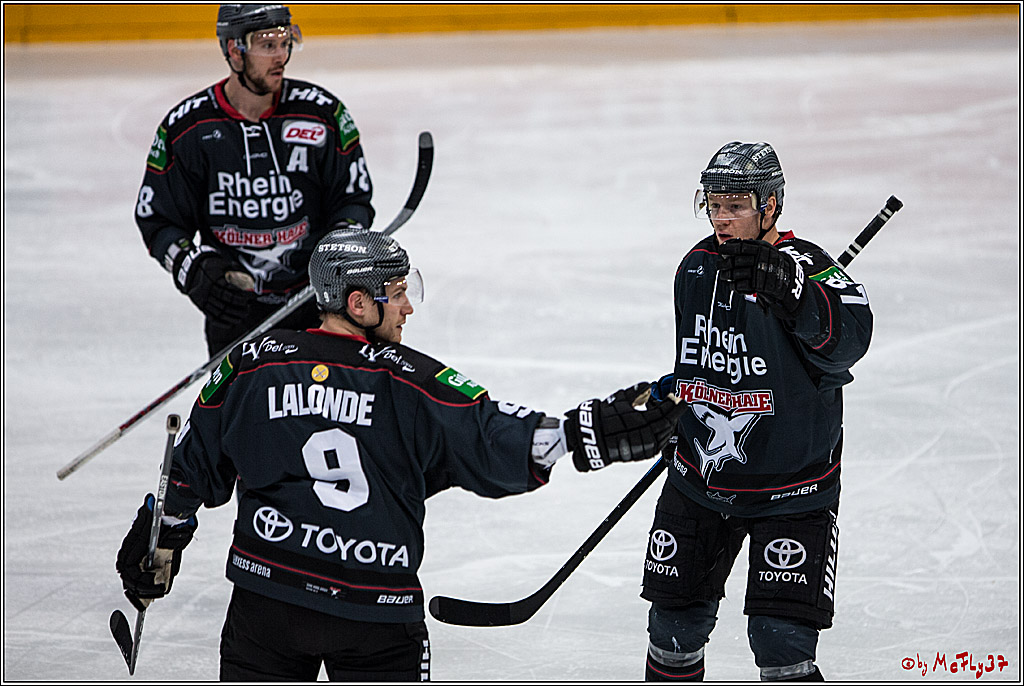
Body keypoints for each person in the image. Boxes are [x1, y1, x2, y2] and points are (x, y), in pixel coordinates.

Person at [116, 227, 686, 681]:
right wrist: (596, 431)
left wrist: (157, 541)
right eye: (397, 292)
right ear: (358, 302)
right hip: (374, 613)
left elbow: (187, 475)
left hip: (268, 603)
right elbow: (494, 437)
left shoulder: (251, 364)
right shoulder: (413, 382)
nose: (408, 306)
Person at [638, 142, 873, 681]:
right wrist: (667, 399)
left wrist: (798, 300)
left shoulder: (809, 265)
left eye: (736, 205)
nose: (721, 218)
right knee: (673, 632)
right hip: (702, 480)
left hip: (794, 489)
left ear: (771, 205)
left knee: (781, 644)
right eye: (714, 205)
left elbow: (851, 341)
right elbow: (697, 359)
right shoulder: (695, 267)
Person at [134, 4, 375, 357]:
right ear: (234, 50)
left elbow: (352, 200)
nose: (281, 56)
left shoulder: (323, 115)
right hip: (234, 309)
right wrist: (195, 269)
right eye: (267, 44)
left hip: (317, 304)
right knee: (241, 411)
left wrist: (338, 253)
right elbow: (159, 218)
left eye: (285, 42)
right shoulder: (188, 129)